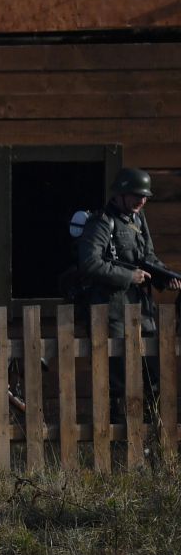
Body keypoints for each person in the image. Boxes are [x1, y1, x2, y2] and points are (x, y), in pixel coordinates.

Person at [73, 167, 175, 418]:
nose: (142, 200)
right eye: (136, 195)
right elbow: (90, 263)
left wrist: (166, 277)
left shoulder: (139, 221)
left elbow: (147, 257)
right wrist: (130, 276)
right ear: (120, 194)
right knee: (119, 380)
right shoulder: (101, 222)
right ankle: (120, 443)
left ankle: (152, 438)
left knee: (151, 375)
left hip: (143, 310)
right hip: (113, 312)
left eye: (145, 196)